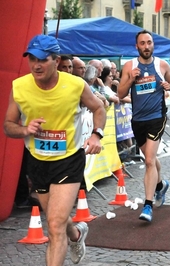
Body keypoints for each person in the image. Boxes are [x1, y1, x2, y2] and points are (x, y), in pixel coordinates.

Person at [3, 34, 106, 265]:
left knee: (55, 225)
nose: (36, 65)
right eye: (32, 59)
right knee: (54, 219)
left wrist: (96, 135)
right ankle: (77, 234)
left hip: (68, 159)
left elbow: (99, 108)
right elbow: (8, 126)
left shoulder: (75, 85)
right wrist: (25, 130)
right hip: (38, 160)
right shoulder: (19, 87)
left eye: (42, 59)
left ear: (56, 61)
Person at [118, 30, 170, 222]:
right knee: (149, 158)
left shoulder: (161, 64)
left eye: (149, 42)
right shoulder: (129, 66)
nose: (146, 46)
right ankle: (160, 185)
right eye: (142, 43)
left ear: (153, 45)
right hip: (138, 120)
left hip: (157, 116)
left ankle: (148, 206)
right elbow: (120, 93)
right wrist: (130, 79)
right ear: (137, 46)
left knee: (149, 161)